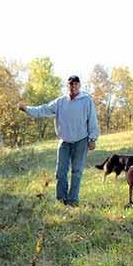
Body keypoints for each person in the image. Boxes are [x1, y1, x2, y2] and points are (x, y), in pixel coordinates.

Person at [17, 75, 100, 206]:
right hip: (64, 141)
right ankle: (61, 199)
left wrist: (93, 139)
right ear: (67, 86)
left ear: (79, 85)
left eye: (75, 84)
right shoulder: (60, 102)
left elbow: (92, 120)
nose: (73, 87)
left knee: (77, 171)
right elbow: (43, 109)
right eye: (70, 84)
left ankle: (72, 200)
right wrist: (26, 109)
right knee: (61, 172)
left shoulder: (86, 101)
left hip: (81, 140)